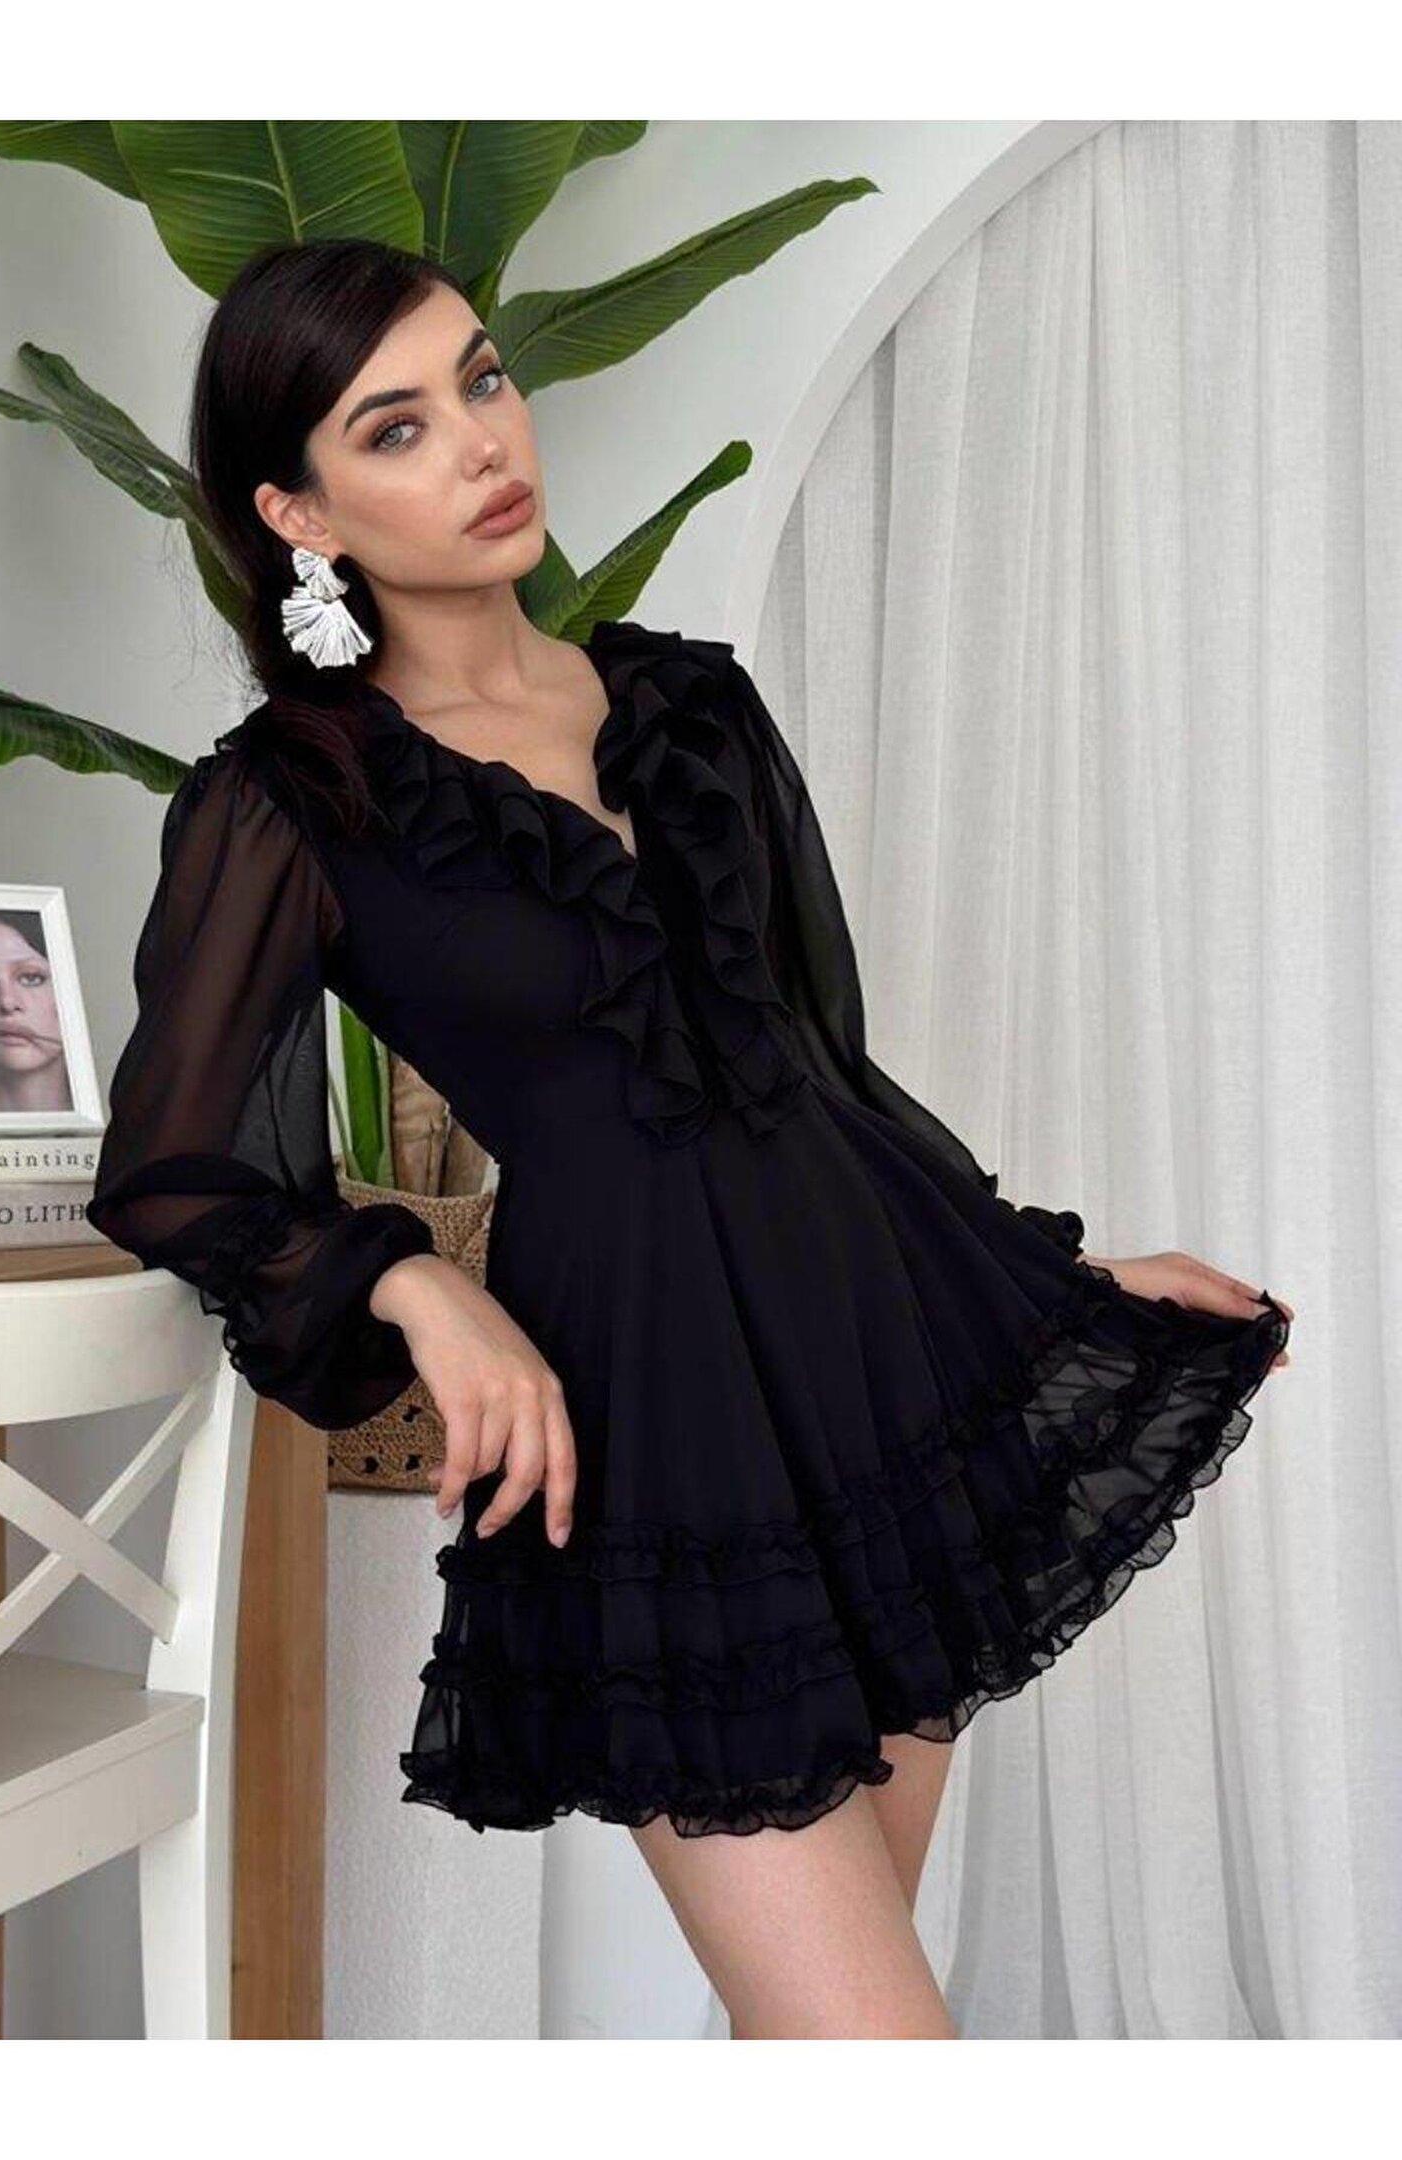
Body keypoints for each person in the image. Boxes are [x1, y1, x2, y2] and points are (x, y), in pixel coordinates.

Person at [86, 237, 1292, 2041]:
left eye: (482, 380)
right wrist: (419, 1281)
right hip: (660, 1441)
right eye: (396, 427)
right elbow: (176, 1168)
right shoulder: (289, 802)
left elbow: (822, 1076)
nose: (481, 441)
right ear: (299, 513)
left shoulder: (691, 709)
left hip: (885, 1377)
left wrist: (1063, 1282)